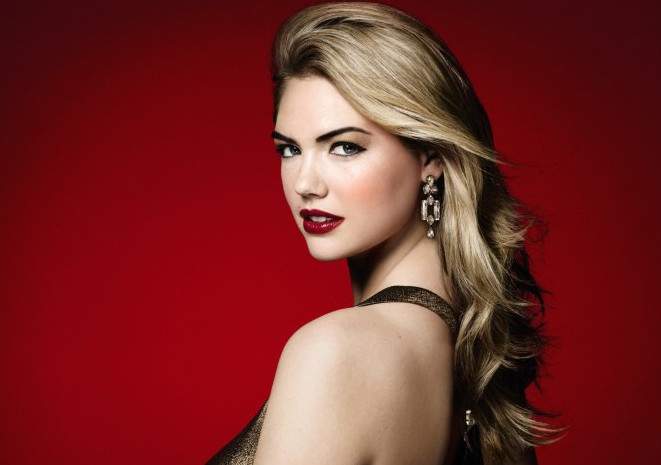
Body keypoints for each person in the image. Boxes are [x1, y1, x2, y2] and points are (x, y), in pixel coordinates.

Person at [205, 2, 564, 464]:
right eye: (290, 149)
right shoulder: (470, 350)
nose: (305, 184)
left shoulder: (335, 353)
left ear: (430, 157)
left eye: (344, 147)